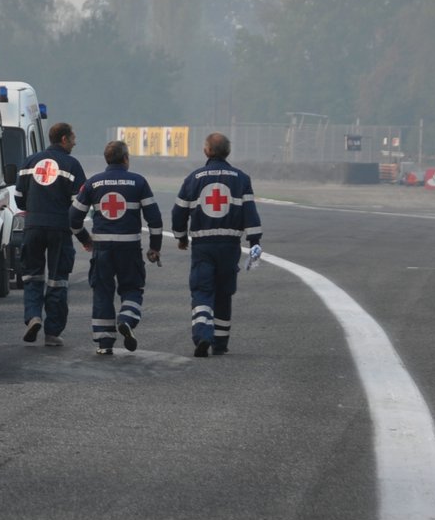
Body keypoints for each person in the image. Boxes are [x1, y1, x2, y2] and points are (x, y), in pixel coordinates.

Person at [171, 132, 261, 357]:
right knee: (224, 293)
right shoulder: (241, 178)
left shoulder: (194, 178)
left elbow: (179, 212)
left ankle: (203, 335)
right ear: (228, 152)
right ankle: (220, 343)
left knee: (202, 290)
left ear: (206, 151)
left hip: (203, 245)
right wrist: (254, 241)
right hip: (230, 245)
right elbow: (250, 213)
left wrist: (181, 237)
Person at [71, 139, 163, 355]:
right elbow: (155, 219)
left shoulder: (92, 183)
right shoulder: (139, 182)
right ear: (125, 159)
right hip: (129, 248)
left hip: (102, 248)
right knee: (132, 287)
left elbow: (73, 218)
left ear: (106, 159)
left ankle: (104, 343)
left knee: (102, 291)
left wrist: (85, 239)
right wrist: (155, 247)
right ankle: (127, 318)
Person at [16, 121, 89, 347]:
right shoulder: (72, 165)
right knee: (58, 280)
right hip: (59, 228)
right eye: (73, 137)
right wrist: (85, 238)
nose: (75, 142)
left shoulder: (30, 161)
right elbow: (79, 205)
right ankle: (52, 333)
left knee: (32, 276)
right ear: (64, 139)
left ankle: (33, 316)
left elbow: (19, 197)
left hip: (33, 227)